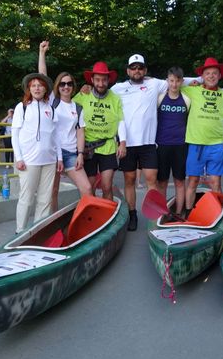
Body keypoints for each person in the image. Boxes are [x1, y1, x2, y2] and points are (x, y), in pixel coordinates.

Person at [111, 54, 168, 231]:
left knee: (152, 180)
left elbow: (177, 79)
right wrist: (85, 90)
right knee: (129, 180)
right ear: (128, 70)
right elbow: (100, 93)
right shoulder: (118, 88)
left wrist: (199, 79)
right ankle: (132, 214)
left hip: (148, 143)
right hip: (127, 143)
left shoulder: (154, 84)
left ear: (145, 70)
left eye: (140, 68)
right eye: (133, 68)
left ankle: (155, 216)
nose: (137, 71)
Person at [37, 41, 92, 212]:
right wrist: (42, 53)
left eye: (69, 84)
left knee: (87, 188)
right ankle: (51, 223)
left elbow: (80, 132)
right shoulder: (53, 101)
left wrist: (80, 154)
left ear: (73, 86)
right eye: (62, 84)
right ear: (57, 86)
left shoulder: (77, 107)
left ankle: (85, 220)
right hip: (53, 153)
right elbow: (42, 76)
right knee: (52, 191)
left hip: (70, 154)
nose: (66, 86)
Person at [181, 57, 223, 217]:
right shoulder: (192, 90)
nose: (211, 76)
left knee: (215, 183)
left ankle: (218, 214)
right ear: (202, 76)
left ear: (219, 75)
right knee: (193, 181)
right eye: (207, 73)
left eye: (214, 73)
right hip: (195, 144)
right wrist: (195, 80)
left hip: (216, 144)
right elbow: (175, 81)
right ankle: (189, 214)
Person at [12, 72, 62, 234]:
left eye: (40, 85)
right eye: (33, 85)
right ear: (29, 88)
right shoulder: (22, 107)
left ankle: (38, 231)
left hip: (49, 161)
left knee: (45, 199)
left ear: (45, 88)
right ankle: (20, 232)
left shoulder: (51, 108)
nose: (37, 88)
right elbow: (15, 134)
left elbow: (56, 136)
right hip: (28, 161)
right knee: (26, 198)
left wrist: (59, 158)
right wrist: (18, 158)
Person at [73, 61, 126, 202]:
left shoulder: (115, 99)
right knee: (89, 186)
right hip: (88, 147)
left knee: (106, 186)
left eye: (104, 80)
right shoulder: (83, 95)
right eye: (97, 80)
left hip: (107, 146)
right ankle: (92, 214)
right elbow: (67, 110)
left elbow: (121, 121)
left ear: (109, 80)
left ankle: (108, 215)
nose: (101, 83)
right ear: (92, 80)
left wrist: (122, 143)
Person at [155, 66, 191, 217]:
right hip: (162, 145)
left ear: (182, 82)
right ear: (167, 81)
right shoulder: (160, 98)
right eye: (171, 81)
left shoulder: (187, 100)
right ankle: (163, 212)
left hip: (181, 146)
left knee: (179, 181)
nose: (174, 84)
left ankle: (178, 213)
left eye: (177, 81)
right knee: (162, 182)